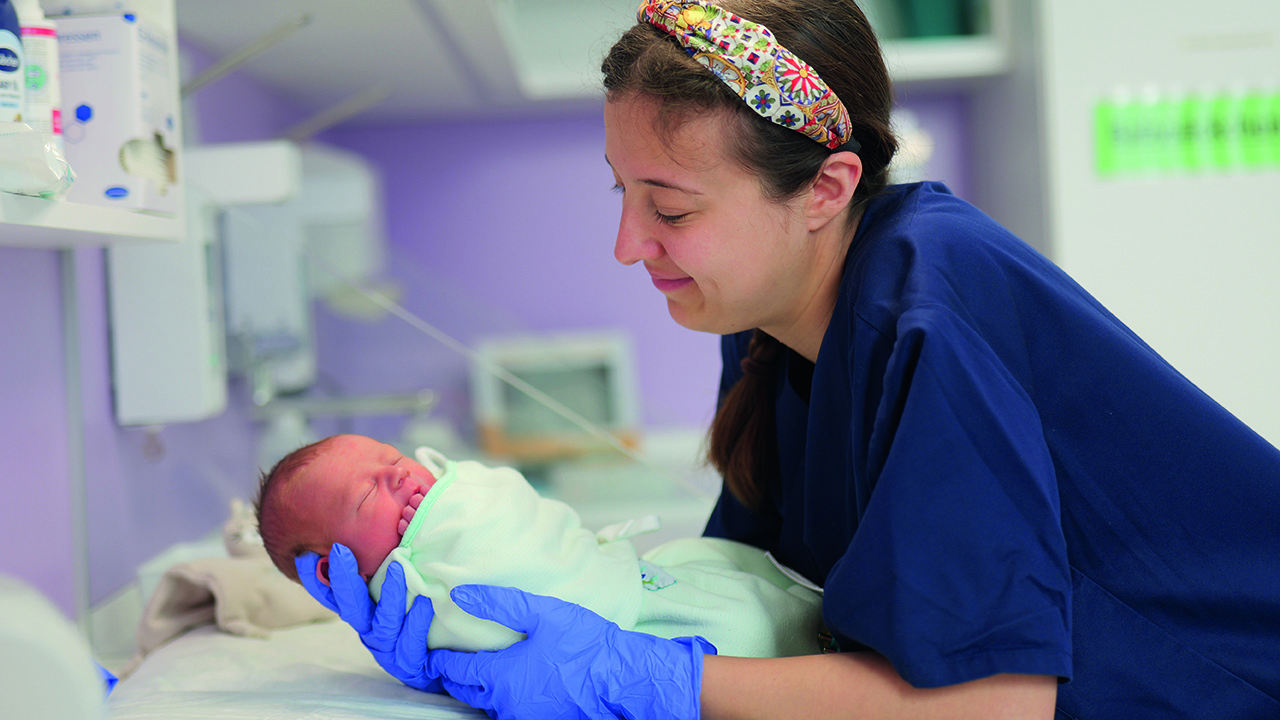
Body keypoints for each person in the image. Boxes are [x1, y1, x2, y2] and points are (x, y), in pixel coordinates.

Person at [295, 0, 1280, 717]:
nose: (628, 245)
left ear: (824, 187)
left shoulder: (928, 312)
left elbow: (991, 704)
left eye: (670, 207)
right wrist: (474, 608)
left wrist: (645, 681)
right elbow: (757, 600)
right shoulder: (767, 320)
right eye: (620, 195)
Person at [256, 434, 824, 659]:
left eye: (392, 459)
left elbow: (519, 514)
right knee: (748, 636)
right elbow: (482, 622)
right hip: (626, 630)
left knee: (733, 579)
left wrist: (460, 494)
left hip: (629, 575)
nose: (402, 478)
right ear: (334, 572)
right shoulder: (410, 599)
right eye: (366, 496)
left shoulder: (448, 485)